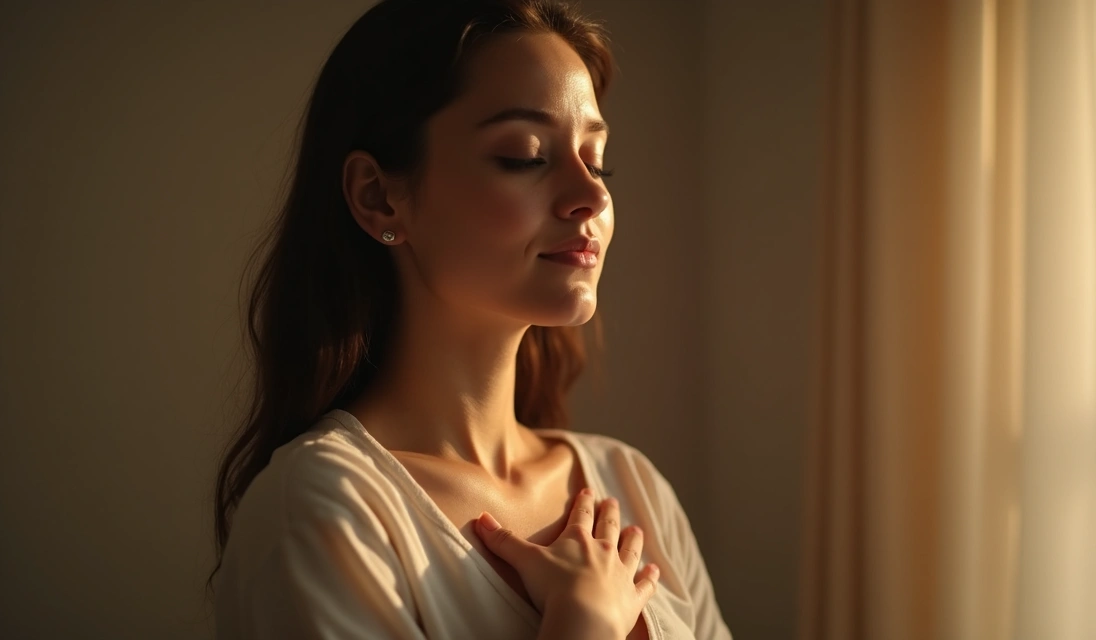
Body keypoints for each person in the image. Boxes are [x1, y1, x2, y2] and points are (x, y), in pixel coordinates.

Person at [209, 1, 732, 638]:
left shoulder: (633, 488)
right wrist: (585, 625)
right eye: (525, 156)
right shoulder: (322, 507)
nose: (593, 194)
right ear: (378, 196)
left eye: (596, 160)